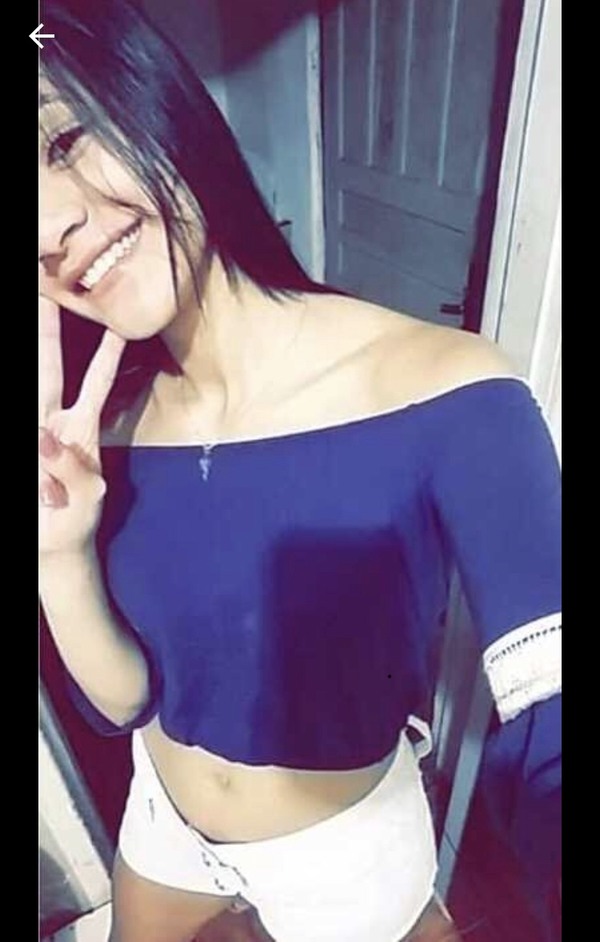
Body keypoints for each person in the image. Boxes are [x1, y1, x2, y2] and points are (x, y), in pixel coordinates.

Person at [38, 2, 562, 941]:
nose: (49, 225)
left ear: (152, 99)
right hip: (165, 821)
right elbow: (123, 703)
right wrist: (59, 553)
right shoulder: (104, 430)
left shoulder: (451, 391)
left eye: (63, 142)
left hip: (341, 855)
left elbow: (551, 711)